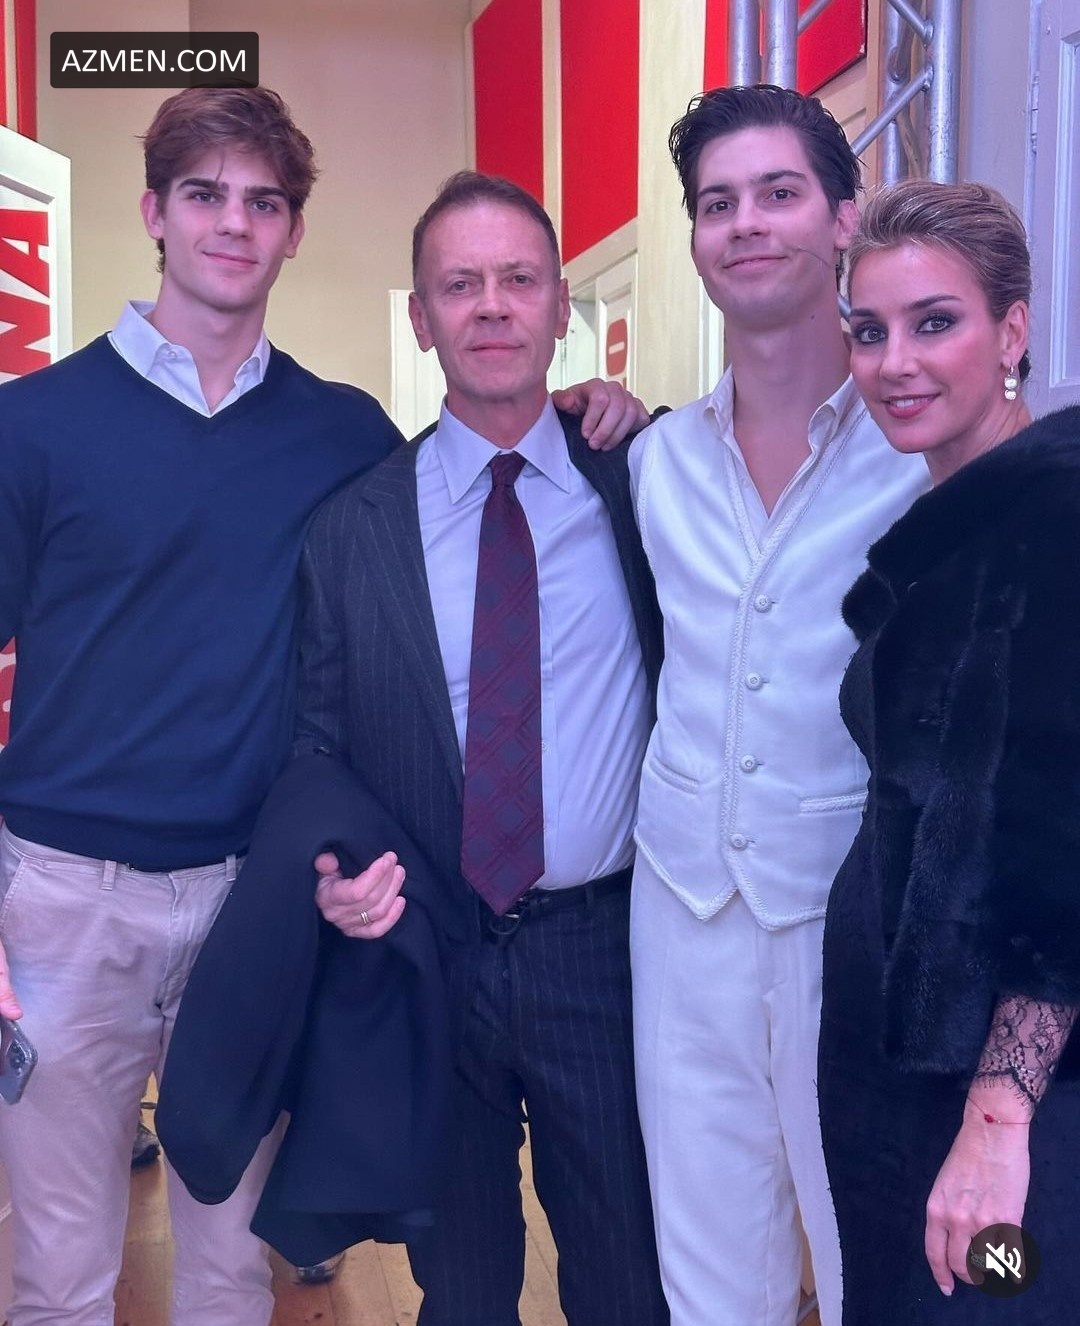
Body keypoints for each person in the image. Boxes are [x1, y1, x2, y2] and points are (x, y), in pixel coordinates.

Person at [0, 87, 637, 1326]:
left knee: (232, 1265)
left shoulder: (343, 437)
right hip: (68, 904)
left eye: (265, 202)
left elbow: (476, 469)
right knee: (61, 1272)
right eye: (205, 196)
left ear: (294, 230)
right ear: (155, 213)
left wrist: (587, 407)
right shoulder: (30, 427)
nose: (234, 225)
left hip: (254, 903)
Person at [294, 170, 669, 1326]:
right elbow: (317, 741)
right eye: (460, 285)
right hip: (432, 950)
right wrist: (331, 870)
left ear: (562, 308)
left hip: (603, 951)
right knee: (458, 1287)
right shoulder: (350, 528)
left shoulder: (644, 481)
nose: (492, 306)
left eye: (519, 280)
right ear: (421, 318)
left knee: (628, 1276)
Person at [624, 85, 929, 1326]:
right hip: (679, 900)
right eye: (717, 203)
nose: (744, 223)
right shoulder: (653, 460)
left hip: (853, 914)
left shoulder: (919, 450)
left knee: (875, 1253)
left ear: (844, 218)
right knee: (706, 1267)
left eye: (778, 193)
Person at [818, 179, 1080, 1322]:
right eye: (868, 331)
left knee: (1002, 1295)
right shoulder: (956, 523)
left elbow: (1065, 852)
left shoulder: (1057, 519)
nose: (895, 363)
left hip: (1006, 1096)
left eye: (935, 323)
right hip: (895, 1063)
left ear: (1012, 331)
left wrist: (998, 1119)